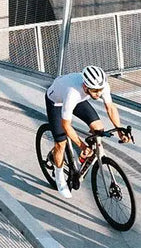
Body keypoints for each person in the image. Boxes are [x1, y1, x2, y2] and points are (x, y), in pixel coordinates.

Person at [45, 65, 130, 198]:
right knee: (61, 143)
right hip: (56, 102)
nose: (98, 94)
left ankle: (84, 157)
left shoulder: (101, 86)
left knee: (98, 128)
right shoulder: (72, 93)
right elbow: (66, 126)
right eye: (95, 91)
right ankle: (59, 177)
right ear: (85, 87)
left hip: (80, 100)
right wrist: (82, 146)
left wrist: (120, 129)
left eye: (100, 90)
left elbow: (110, 107)